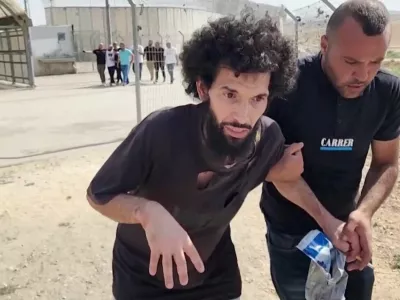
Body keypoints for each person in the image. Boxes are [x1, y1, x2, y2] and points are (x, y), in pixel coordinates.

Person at [87, 11, 351, 300]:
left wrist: (327, 220)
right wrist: (148, 213)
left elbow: (281, 177)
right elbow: (100, 194)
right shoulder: (161, 131)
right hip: (144, 277)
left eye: (257, 99)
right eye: (230, 94)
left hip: (215, 273)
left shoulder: (267, 136)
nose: (243, 115)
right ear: (203, 88)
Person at [261, 1, 400, 299]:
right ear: (324, 45)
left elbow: (387, 162)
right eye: (351, 62)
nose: (363, 75)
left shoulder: (388, 91)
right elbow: (275, 169)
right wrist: (326, 220)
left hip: (349, 233)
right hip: (291, 232)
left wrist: (363, 213)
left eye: (375, 62)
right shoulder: (286, 86)